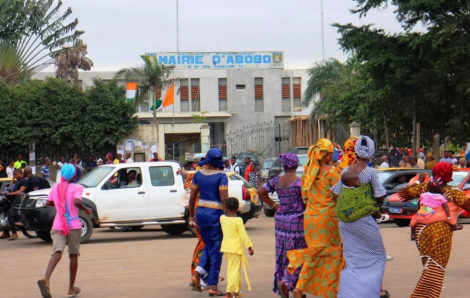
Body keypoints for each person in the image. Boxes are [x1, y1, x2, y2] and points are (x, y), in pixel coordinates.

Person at [400, 162, 470, 297]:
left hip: (420, 229)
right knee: (436, 268)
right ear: (449, 175)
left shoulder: (425, 187)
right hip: (440, 230)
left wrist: (417, 181)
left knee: (429, 266)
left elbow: (406, 193)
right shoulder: (453, 192)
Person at [332, 135, 387, 297]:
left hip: (345, 222)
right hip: (363, 220)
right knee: (377, 256)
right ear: (371, 154)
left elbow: (335, 193)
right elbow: (379, 195)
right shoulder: (370, 172)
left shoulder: (345, 170)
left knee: (353, 259)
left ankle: (348, 294)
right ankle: (369, 293)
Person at [286, 139, 342, 298]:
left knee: (314, 253)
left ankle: (300, 286)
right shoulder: (332, 172)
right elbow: (339, 196)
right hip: (327, 218)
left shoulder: (307, 173)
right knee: (331, 255)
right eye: (331, 154)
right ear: (326, 156)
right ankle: (329, 293)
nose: (333, 156)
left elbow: (304, 198)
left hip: (310, 218)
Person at [36, 164, 91, 298]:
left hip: (58, 224)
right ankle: (71, 288)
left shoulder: (55, 188)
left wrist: (59, 202)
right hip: (73, 225)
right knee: (73, 255)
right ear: (74, 175)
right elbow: (77, 201)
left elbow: (49, 203)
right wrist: (86, 209)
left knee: (57, 252)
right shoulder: (77, 187)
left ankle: (46, 279)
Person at [257, 153, 307, 297]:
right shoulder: (299, 182)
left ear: (284, 166)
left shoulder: (276, 180)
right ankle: (289, 282)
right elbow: (306, 201)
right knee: (299, 254)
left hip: (281, 222)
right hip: (297, 222)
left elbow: (260, 191)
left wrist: (274, 205)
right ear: (296, 165)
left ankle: (284, 285)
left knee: (282, 254)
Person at [189, 148, 228, 296]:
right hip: (215, 216)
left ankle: (197, 275)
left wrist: (192, 217)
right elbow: (224, 198)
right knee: (216, 252)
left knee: (207, 247)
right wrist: (230, 216)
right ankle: (212, 285)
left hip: (201, 215)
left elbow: (192, 198)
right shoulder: (221, 176)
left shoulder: (198, 175)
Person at [220, 197, 254, 298]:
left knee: (231, 269)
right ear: (238, 208)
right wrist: (249, 247)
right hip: (235, 249)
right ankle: (231, 292)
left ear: (225, 208)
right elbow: (243, 235)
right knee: (234, 271)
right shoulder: (238, 220)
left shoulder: (222, 218)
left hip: (226, 248)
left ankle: (232, 292)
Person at [1, 169, 34, 240]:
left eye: (15, 174)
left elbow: (21, 191)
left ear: (20, 173)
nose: (14, 176)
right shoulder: (17, 181)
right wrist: (12, 180)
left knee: (10, 214)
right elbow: (10, 187)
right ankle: (6, 232)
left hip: (19, 201)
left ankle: (14, 233)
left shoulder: (24, 180)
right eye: (13, 174)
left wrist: (10, 194)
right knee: (5, 212)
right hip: (12, 200)